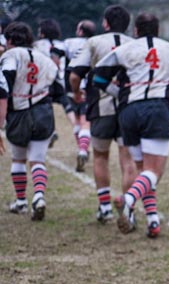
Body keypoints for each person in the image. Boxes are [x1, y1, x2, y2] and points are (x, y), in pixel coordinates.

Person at [92, 12, 169, 238]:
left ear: (135, 31)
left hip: (128, 112)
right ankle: (128, 200)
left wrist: (121, 94)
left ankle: (152, 220)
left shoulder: (125, 49)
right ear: (159, 30)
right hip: (157, 110)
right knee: (154, 171)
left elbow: (99, 78)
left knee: (143, 171)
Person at [70, 4, 137, 224]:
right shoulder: (135, 45)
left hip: (100, 106)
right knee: (128, 159)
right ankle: (129, 209)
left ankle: (105, 207)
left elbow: (74, 75)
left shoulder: (94, 42)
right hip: (128, 107)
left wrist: (77, 93)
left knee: (100, 156)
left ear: (105, 23)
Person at [2, 21, 64, 221]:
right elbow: (58, 88)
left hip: (19, 112)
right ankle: (39, 196)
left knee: (19, 158)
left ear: (10, 40)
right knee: (38, 159)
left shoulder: (10, 56)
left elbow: (4, 84)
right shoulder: (44, 58)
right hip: (42, 111)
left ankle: (21, 201)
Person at [34, 19, 81, 167]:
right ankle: (77, 128)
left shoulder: (36, 45)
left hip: (44, 82)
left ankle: (52, 131)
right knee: (67, 105)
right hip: (60, 81)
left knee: (44, 106)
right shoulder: (63, 45)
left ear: (42, 31)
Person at [64, 19, 96, 173]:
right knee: (86, 122)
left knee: (77, 120)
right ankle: (83, 150)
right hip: (88, 87)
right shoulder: (94, 43)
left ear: (81, 31)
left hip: (72, 85)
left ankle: (81, 148)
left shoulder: (69, 42)